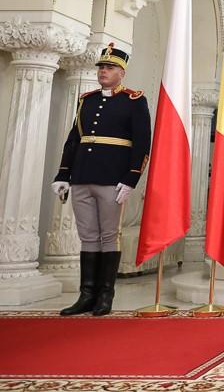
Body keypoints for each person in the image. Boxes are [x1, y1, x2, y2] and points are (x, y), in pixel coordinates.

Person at [51, 43, 151, 316]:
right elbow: (74, 139)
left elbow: (142, 143)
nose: (103, 71)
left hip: (112, 178)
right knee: (88, 236)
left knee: (109, 235)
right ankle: (87, 295)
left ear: (122, 72)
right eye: (101, 67)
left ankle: (105, 296)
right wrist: (63, 174)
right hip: (82, 176)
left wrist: (131, 178)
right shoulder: (87, 100)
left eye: (109, 67)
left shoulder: (134, 100)